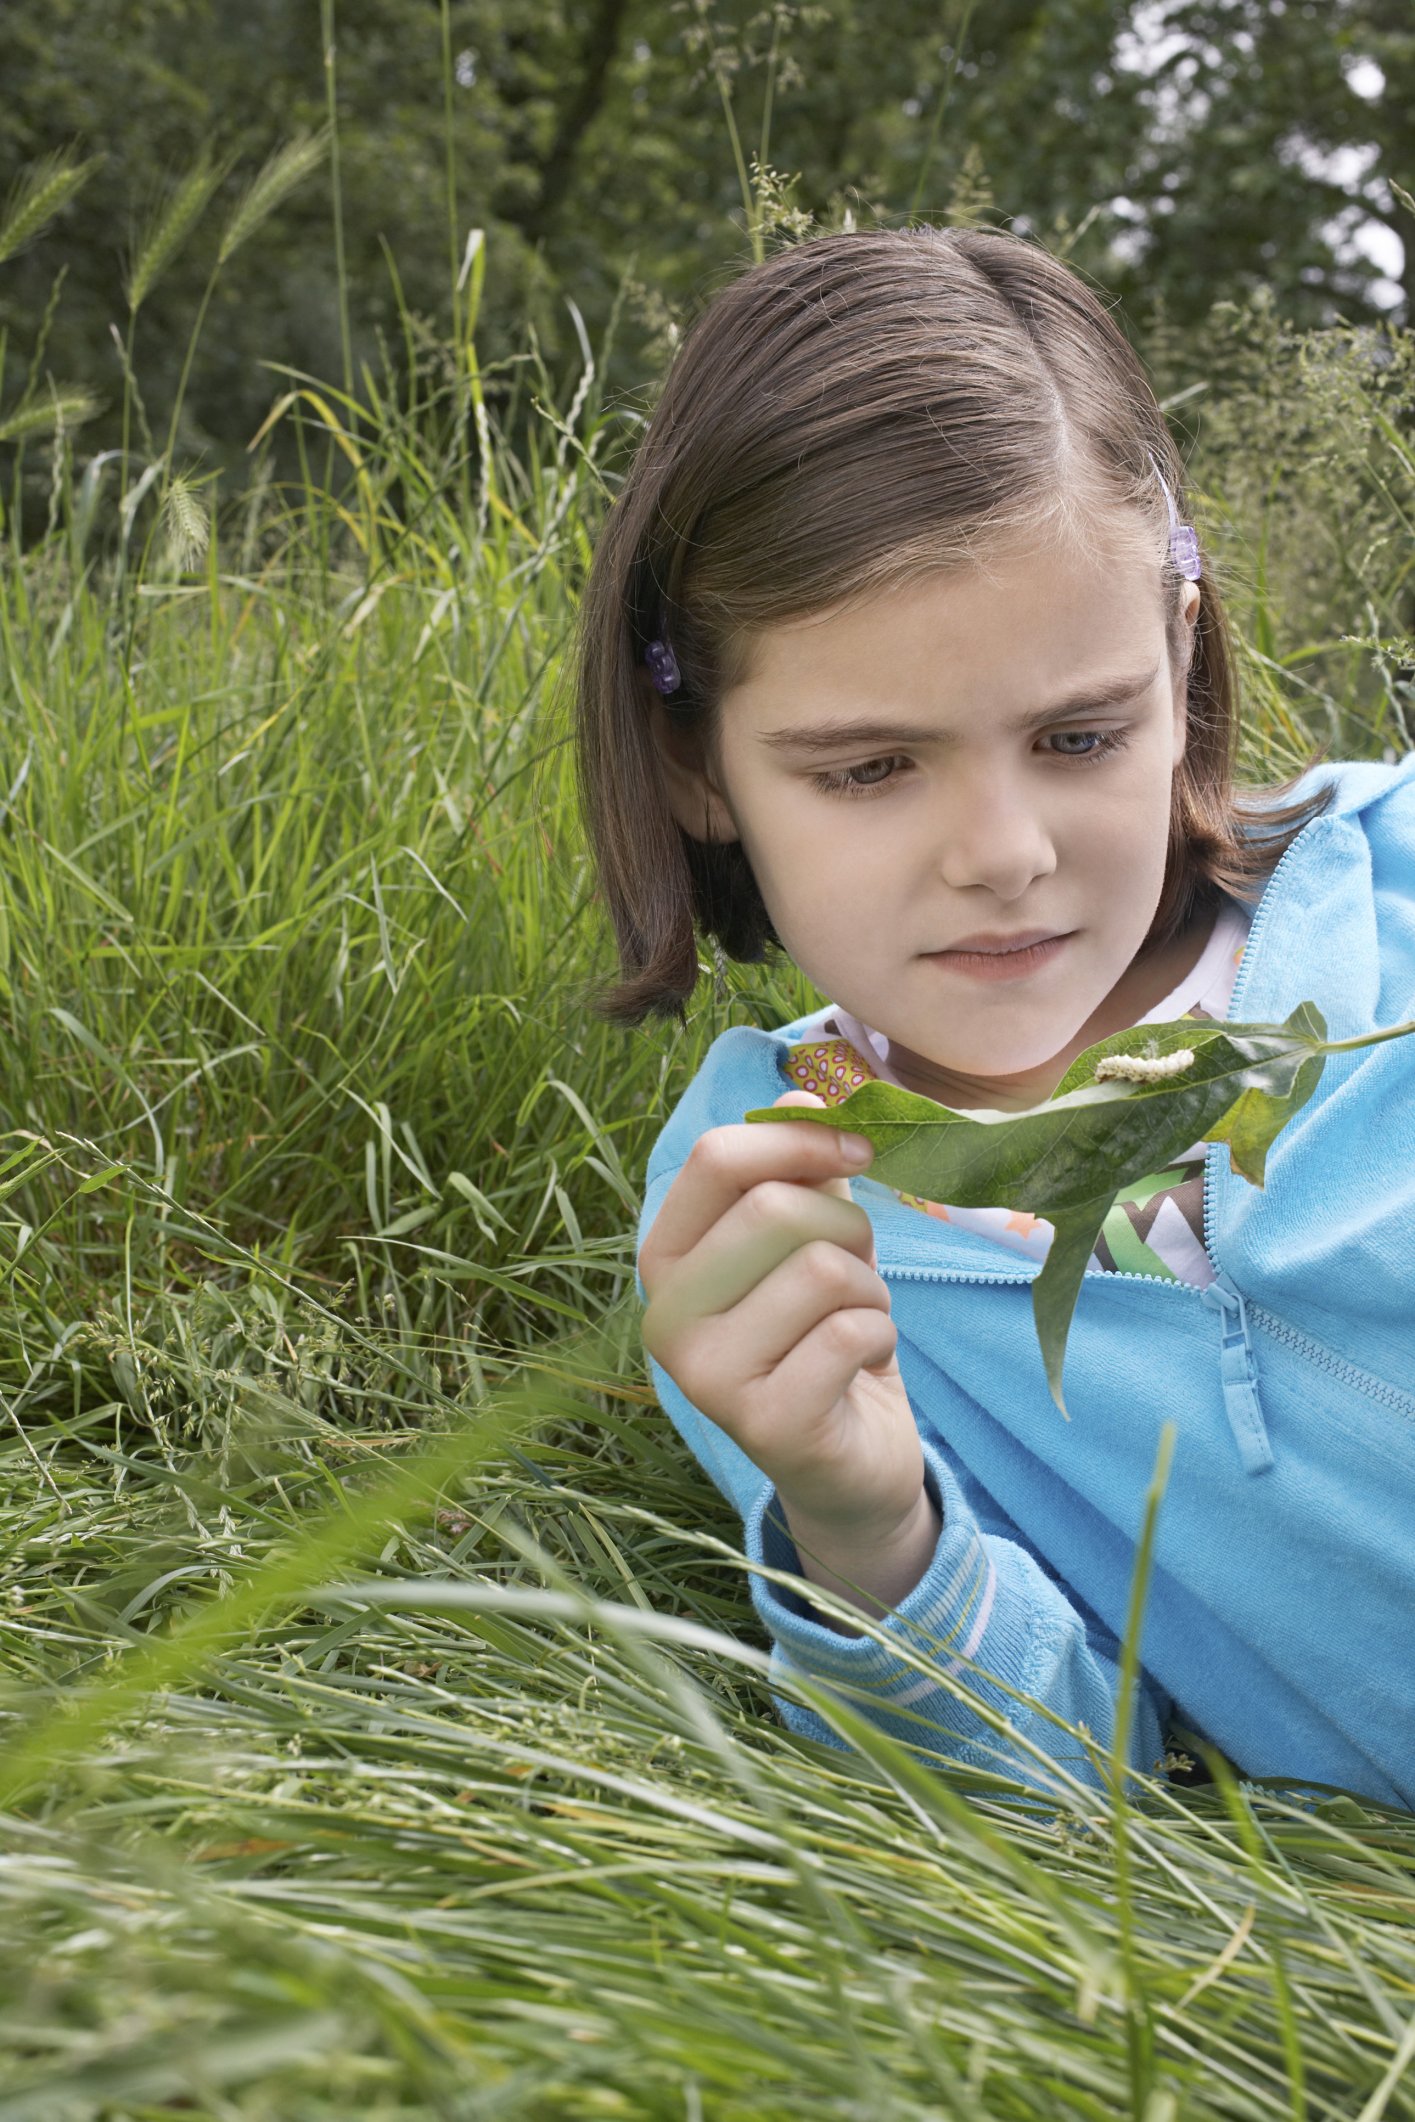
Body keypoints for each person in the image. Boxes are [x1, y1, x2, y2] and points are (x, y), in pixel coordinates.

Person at [568, 224, 1415, 1809]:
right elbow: (1078, 1765)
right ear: (698, 767)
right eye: (870, 768)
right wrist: (873, 1532)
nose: (1005, 856)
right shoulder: (774, 1223)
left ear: (1179, 656)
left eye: (1082, 734)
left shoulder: (1400, 889)